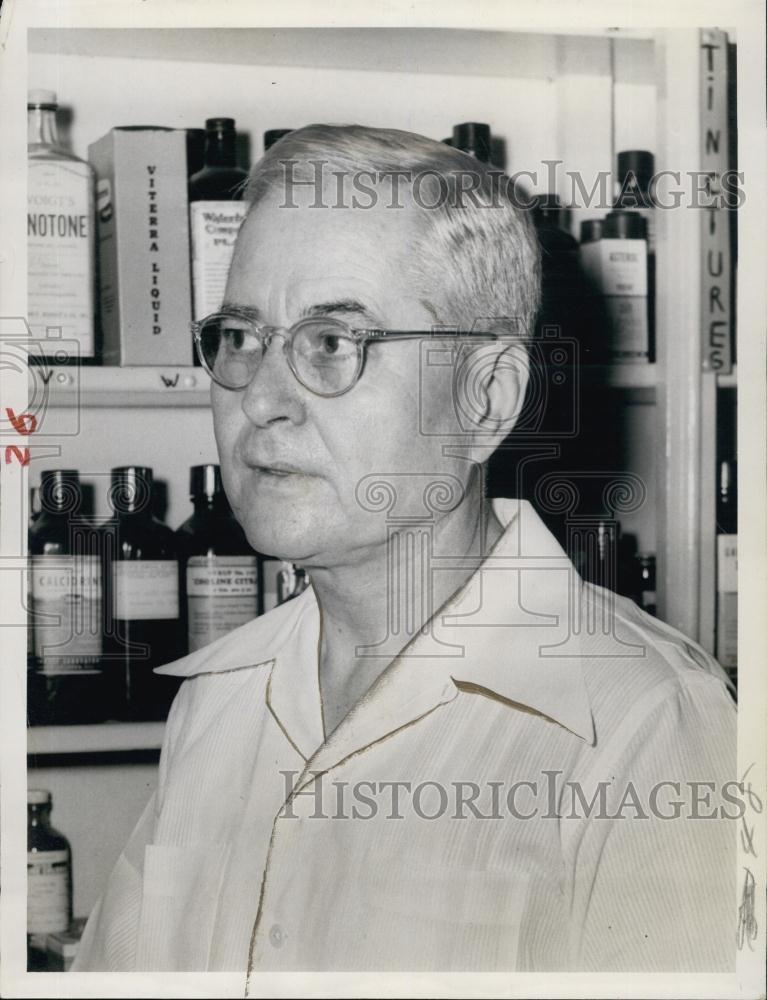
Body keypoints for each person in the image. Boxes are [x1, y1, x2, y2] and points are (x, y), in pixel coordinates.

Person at [73, 125, 736, 980]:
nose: (262, 400)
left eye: (332, 342)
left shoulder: (647, 729)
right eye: (241, 337)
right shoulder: (217, 698)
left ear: (486, 398)